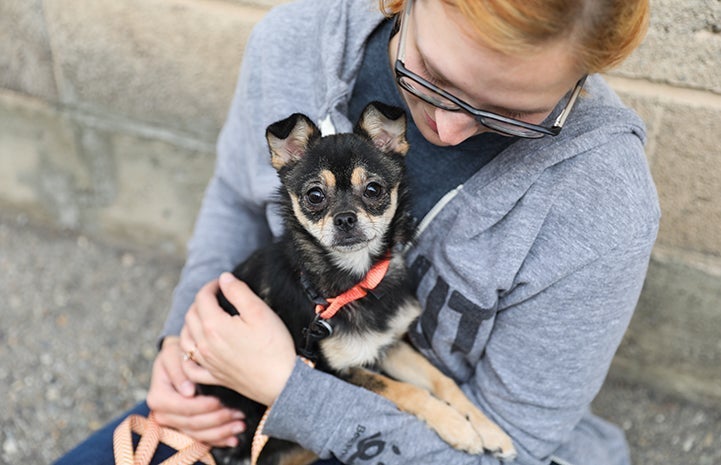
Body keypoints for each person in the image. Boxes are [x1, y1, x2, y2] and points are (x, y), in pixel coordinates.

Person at [55, 0, 659, 464]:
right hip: (248, 384)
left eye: (512, 115)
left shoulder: (601, 200)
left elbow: (516, 450)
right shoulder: (297, 38)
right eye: (429, 75)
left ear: (580, 80)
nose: (445, 130)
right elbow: (237, 201)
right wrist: (186, 340)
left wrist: (292, 392)